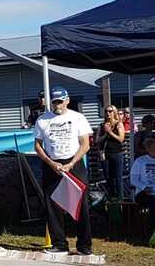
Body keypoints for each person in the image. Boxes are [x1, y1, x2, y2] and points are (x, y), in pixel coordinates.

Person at [34, 86, 94, 255]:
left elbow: (85, 144)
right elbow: (37, 145)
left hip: (74, 163)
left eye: (60, 101)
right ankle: (59, 244)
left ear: (67, 100)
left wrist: (72, 163)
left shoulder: (78, 117)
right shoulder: (42, 120)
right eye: (55, 102)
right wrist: (50, 162)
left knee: (81, 204)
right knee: (52, 204)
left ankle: (84, 246)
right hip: (52, 164)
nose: (58, 105)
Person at [96, 105, 126, 199]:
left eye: (110, 111)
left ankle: (120, 198)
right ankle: (111, 197)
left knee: (117, 177)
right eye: (106, 111)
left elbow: (121, 139)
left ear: (114, 112)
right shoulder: (102, 125)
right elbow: (97, 140)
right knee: (108, 177)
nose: (108, 113)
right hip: (105, 154)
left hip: (116, 153)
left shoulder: (119, 124)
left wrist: (110, 132)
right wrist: (105, 133)